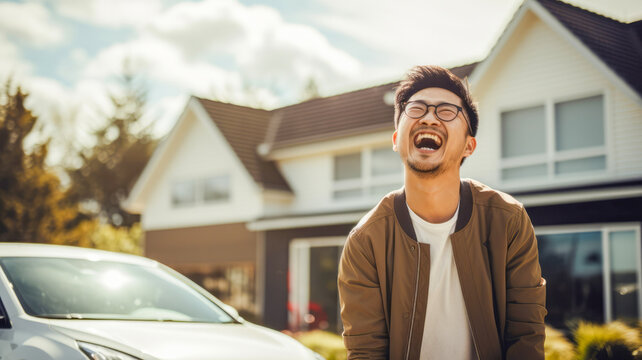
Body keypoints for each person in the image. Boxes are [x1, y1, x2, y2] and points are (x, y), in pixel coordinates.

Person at [337, 65, 546, 360]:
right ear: (396, 140)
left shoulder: (508, 221)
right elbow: (366, 352)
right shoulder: (366, 240)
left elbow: (526, 339)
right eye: (417, 108)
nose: (430, 117)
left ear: (469, 146)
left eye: (447, 111)